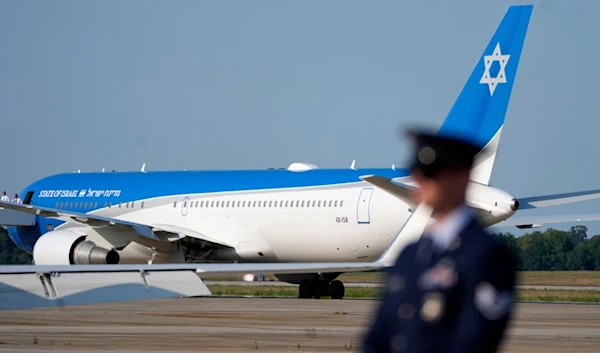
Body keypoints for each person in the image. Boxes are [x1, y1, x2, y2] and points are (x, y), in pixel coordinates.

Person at [362, 128, 517, 353]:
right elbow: (378, 335)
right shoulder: (410, 254)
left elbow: (476, 340)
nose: (419, 179)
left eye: (431, 171)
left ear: (463, 178)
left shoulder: (488, 256)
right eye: (417, 171)